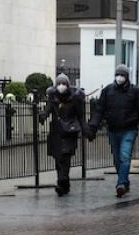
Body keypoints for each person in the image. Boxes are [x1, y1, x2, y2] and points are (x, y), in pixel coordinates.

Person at [88, 64, 139, 197]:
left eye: (122, 75)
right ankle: (125, 181)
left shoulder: (134, 92)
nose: (119, 77)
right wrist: (93, 126)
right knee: (117, 159)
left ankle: (121, 183)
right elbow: (99, 110)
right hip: (113, 129)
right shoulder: (107, 91)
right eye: (118, 74)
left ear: (127, 77)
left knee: (124, 155)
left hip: (129, 129)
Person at [39, 73, 87, 196]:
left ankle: (62, 181)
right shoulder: (53, 98)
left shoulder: (74, 98)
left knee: (65, 157)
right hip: (56, 132)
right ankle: (63, 181)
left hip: (70, 132)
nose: (61, 86)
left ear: (68, 85)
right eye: (59, 84)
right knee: (58, 158)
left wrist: (85, 129)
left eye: (64, 84)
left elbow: (81, 116)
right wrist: (43, 116)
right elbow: (48, 109)